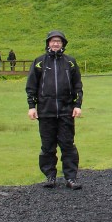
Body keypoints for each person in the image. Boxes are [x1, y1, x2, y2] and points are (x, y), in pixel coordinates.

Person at [25, 30, 84, 190]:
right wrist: (31, 106)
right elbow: (31, 86)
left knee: (68, 145)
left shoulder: (70, 62)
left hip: (66, 111)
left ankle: (70, 178)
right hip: (45, 112)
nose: (56, 43)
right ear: (48, 43)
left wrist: (78, 105)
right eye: (53, 41)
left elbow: (78, 85)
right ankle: (50, 176)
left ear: (63, 43)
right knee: (47, 146)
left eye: (59, 41)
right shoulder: (39, 62)